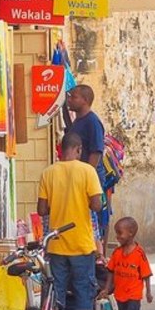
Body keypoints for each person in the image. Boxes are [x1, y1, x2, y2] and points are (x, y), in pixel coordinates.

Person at [38, 132, 111, 310]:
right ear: (78, 150)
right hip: (81, 243)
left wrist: (58, 203)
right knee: (84, 289)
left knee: (57, 291)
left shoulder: (48, 172)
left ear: (61, 149)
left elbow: (41, 209)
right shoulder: (88, 171)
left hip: (56, 243)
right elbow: (97, 205)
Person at [65, 84, 111, 250]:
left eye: (74, 97)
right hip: (79, 175)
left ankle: (96, 253)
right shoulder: (78, 120)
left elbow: (96, 152)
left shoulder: (92, 122)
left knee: (94, 218)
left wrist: (86, 176)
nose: (69, 100)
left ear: (85, 100)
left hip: (89, 177)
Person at [99, 217, 154, 310]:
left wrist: (148, 292)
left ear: (131, 233)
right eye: (116, 233)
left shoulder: (139, 253)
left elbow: (146, 274)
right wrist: (106, 288)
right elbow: (111, 272)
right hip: (120, 293)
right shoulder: (117, 253)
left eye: (120, 233)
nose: (117, 237)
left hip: (134, 294)